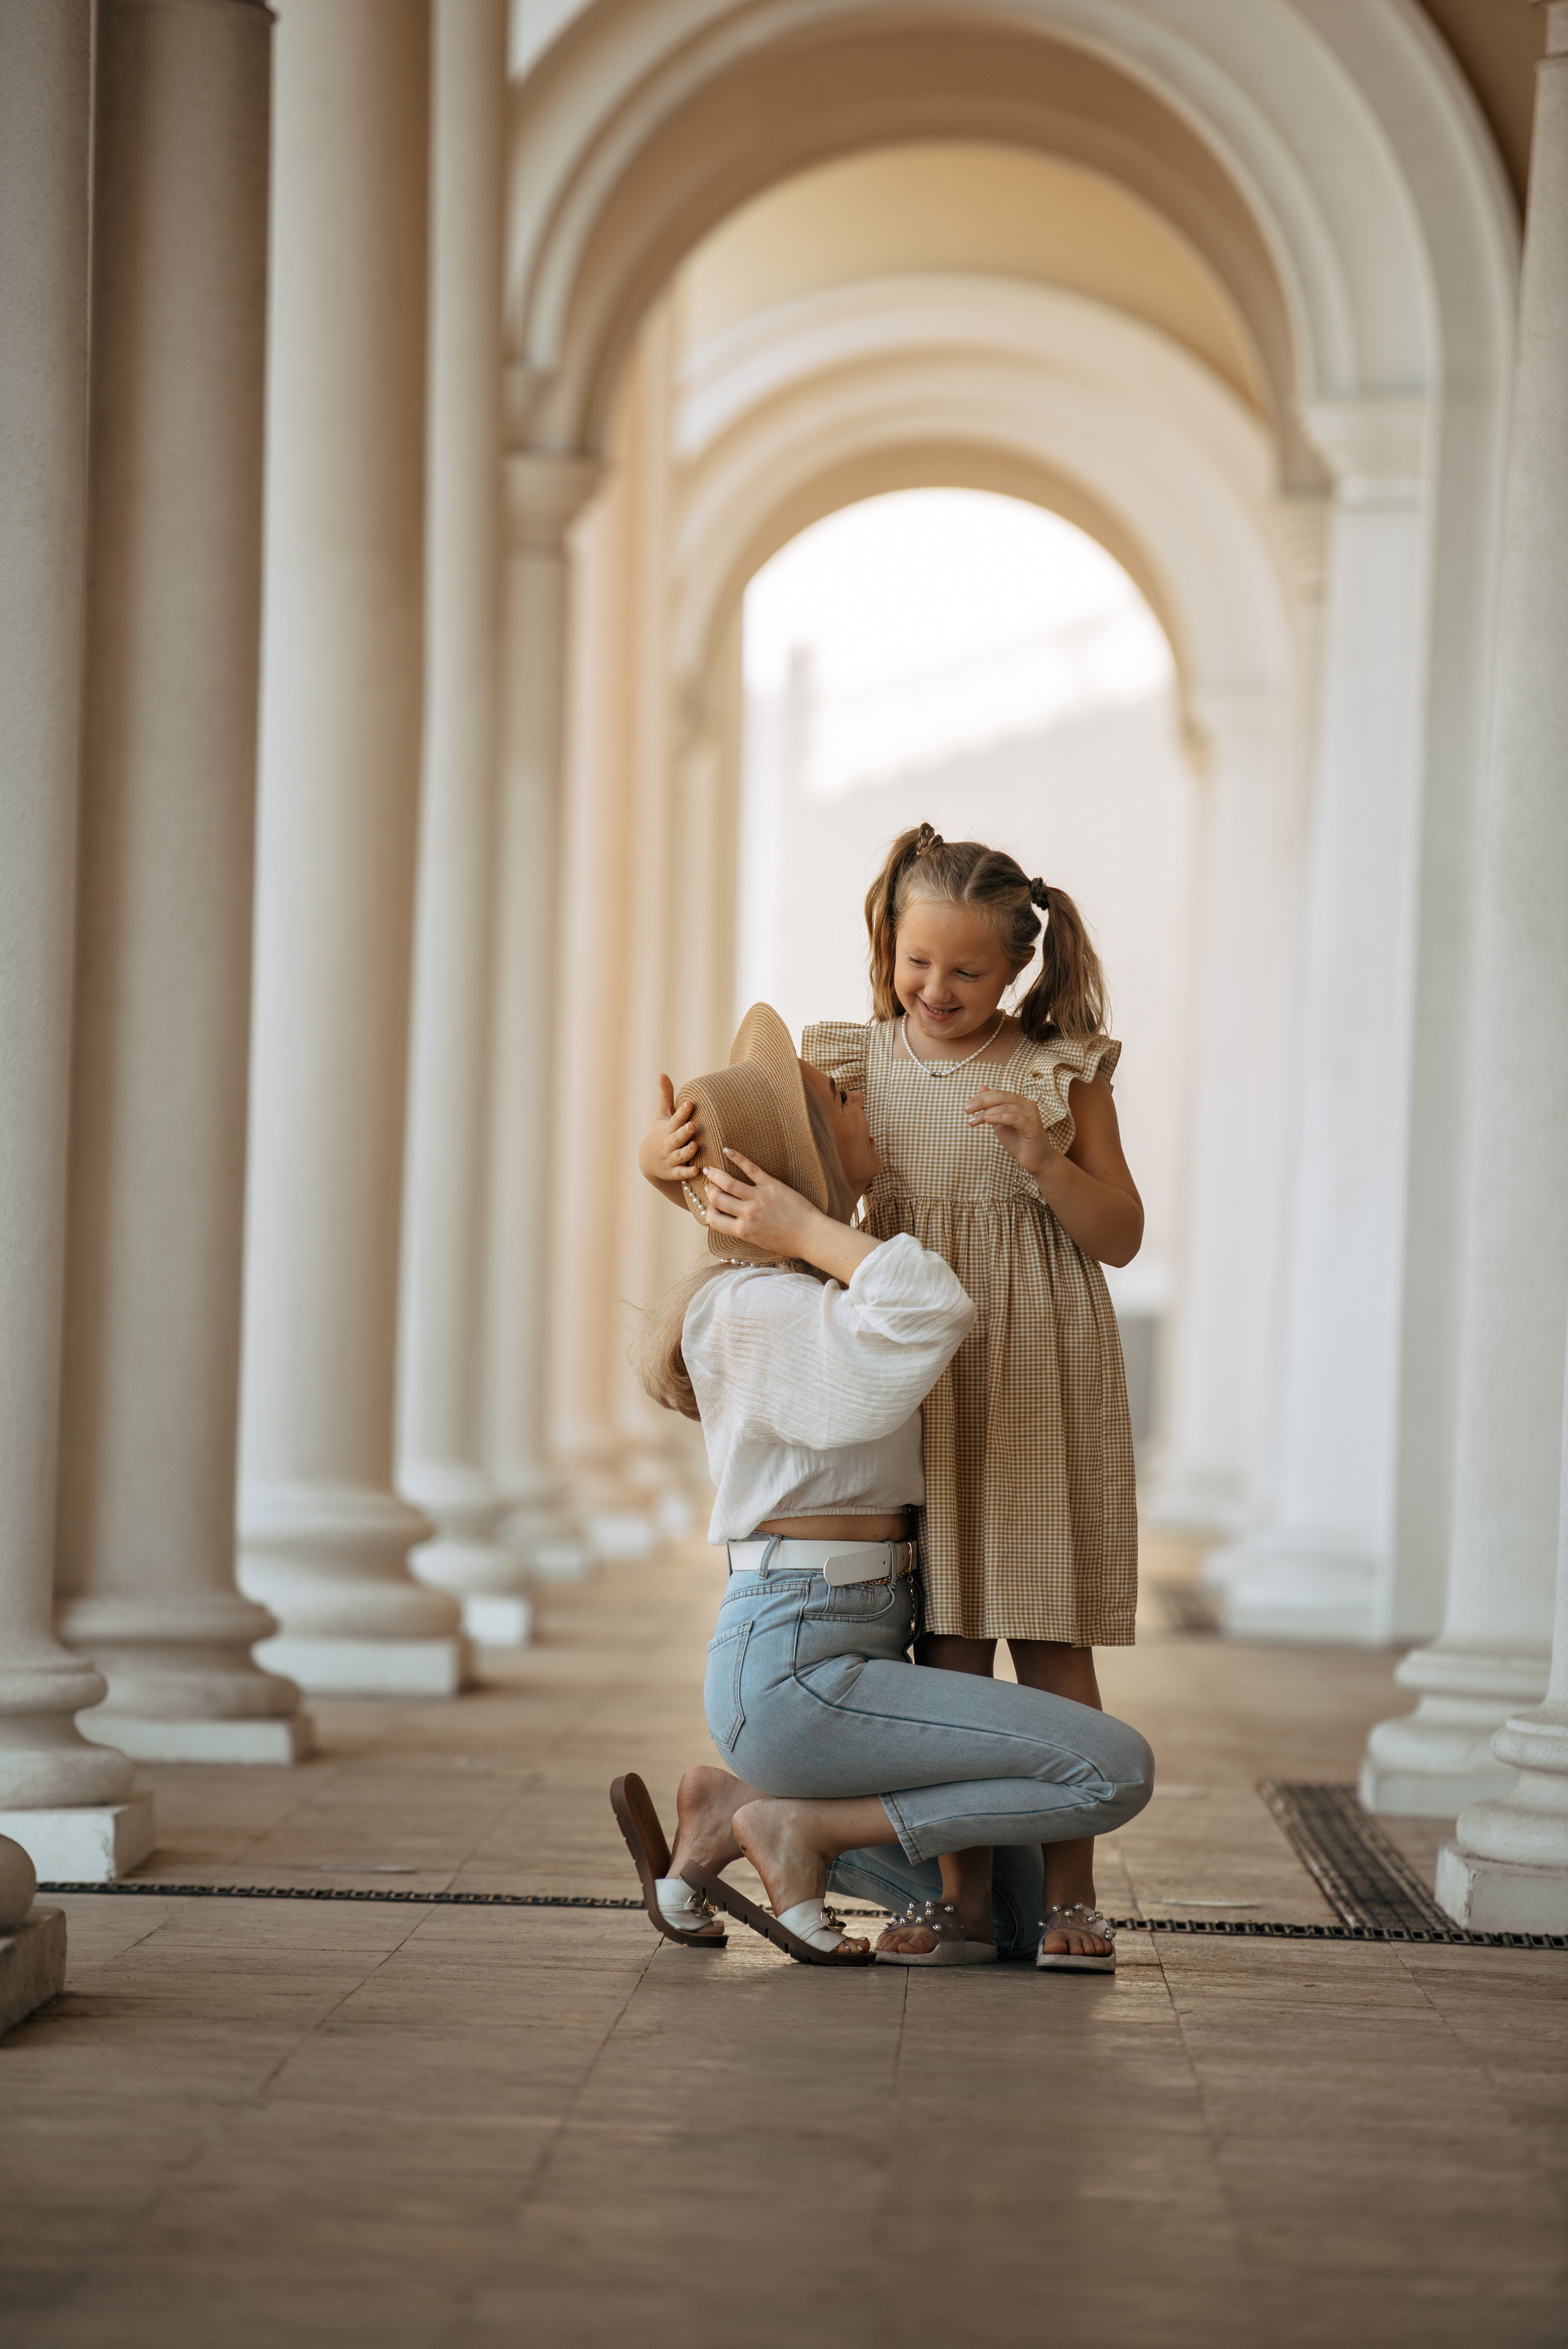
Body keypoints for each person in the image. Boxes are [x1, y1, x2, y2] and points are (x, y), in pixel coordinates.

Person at [639, 830, 1142, 1969]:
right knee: (950, 1638)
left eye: (968, 973)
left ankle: (1071, 1897)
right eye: (920, 963)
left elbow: (1122, 1234)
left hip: (1034, 1375)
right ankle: (961, 1898)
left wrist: (1047, 1166)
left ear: (1015, 969)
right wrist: (654, 1161)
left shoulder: (1064, 1065)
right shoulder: (848, 1063)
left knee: (1052, 1638)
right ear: (890, 945)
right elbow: (764, 1187)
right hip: (923, 1388)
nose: (939, 990)